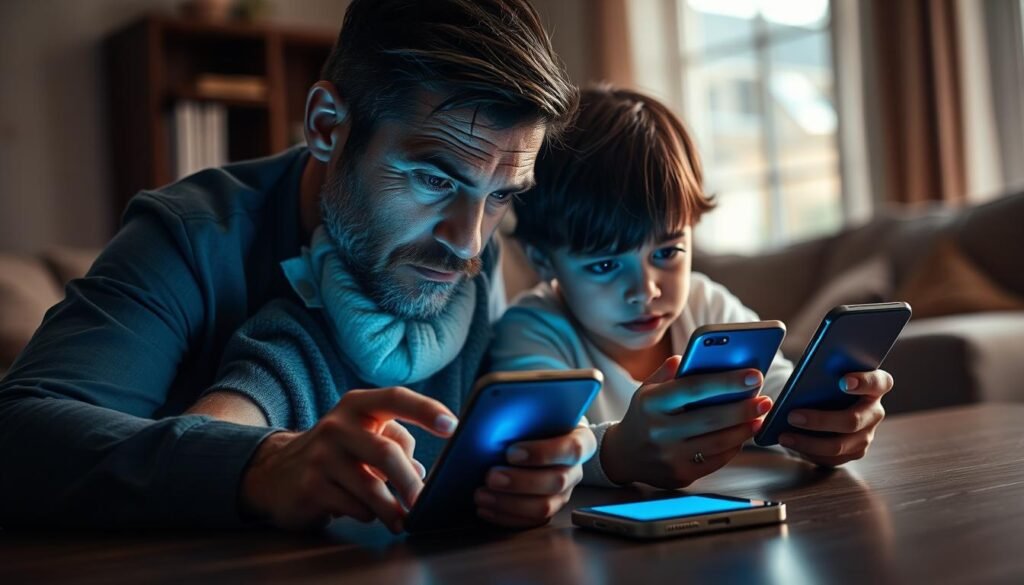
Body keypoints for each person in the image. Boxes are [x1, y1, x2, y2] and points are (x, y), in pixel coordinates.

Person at [0, 0, 584, 532]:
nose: (468, 244)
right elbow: (19, 436)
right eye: (434, 180)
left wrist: (541, 474)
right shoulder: (191, 237)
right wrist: (258, 463)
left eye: (503, 195)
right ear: (327, 126)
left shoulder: (467, 246)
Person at [489, 87, 895, 489]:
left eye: (667, 253)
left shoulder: (703, 301)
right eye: (606, 264)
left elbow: (776, 390)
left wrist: (823, 426)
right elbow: (538, 449)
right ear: (543, 261)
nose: (646, 290)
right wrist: (616, 454)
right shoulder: (530, 329)